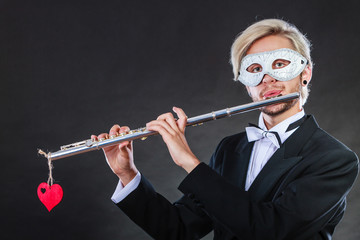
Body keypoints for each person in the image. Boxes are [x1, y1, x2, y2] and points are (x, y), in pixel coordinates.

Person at [92, 19, 359, 240]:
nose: (268, 78)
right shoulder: (230, 150)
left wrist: (189, 162)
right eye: (255, 69)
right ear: (246, 85)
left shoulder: (335, 160)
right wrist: (127, 173)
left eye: (280, 64)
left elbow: (271, 231)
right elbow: (179, 229)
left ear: (306, 73)